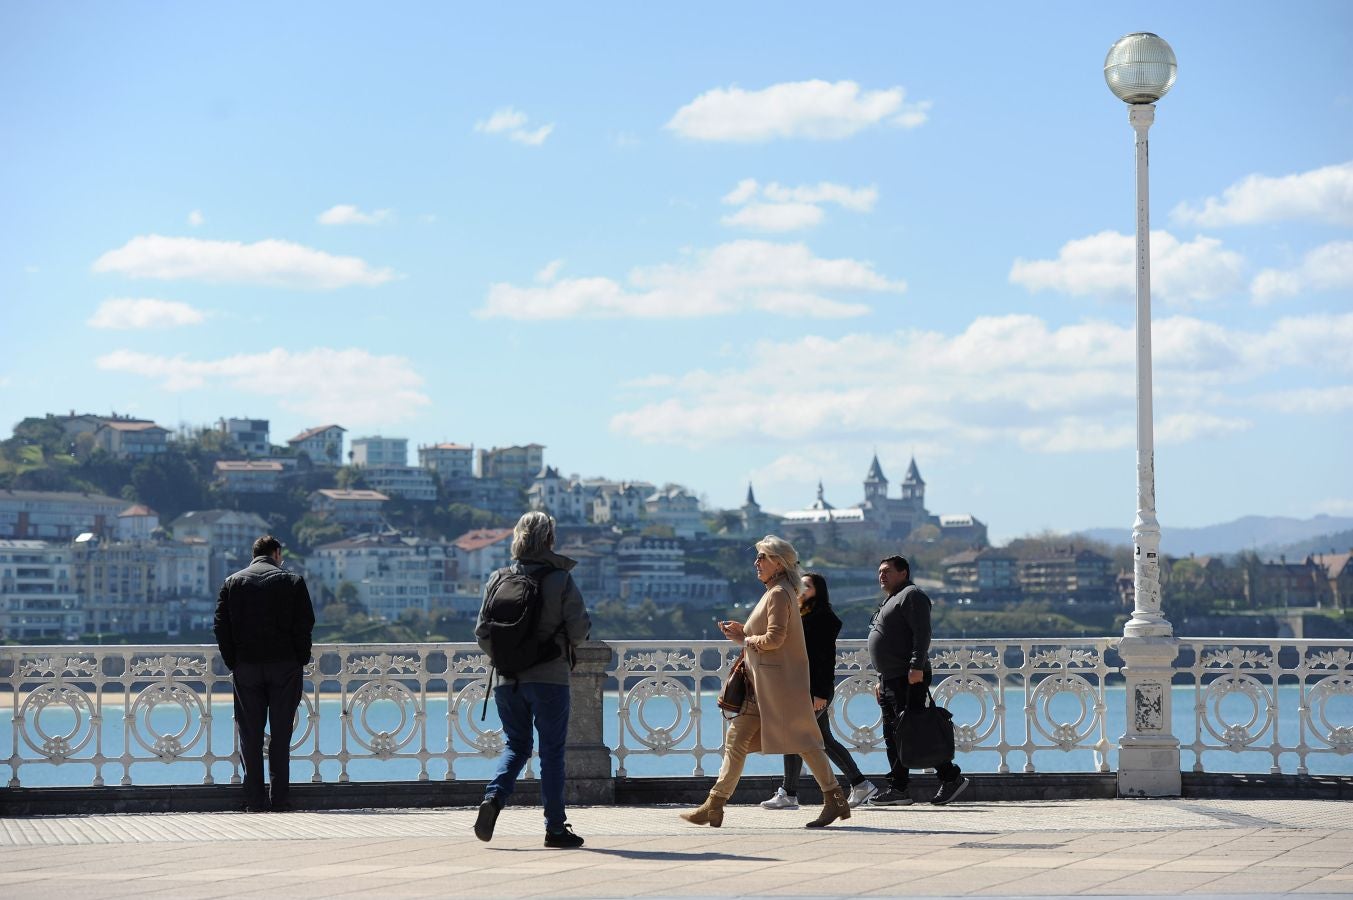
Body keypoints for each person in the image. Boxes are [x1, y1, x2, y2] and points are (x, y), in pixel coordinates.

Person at [682, 535, 851, 829]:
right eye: (757, 556)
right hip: (764, 686)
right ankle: (714, 804)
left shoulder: (778, 593)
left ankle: (834, 800)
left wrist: (743, 638)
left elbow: (775, 638)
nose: (756, 562)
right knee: (739, 742)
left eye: (762, 557)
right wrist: (744, 631)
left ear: (779, 562)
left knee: (805, 742)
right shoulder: (779, 591)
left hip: (775, 687)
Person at [473, 511, 591, 849]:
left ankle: (494, 797)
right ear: (550, 540)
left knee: (517, 745)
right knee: (551, 751)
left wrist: (511, 655)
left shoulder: (498, 578)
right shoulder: (559, 579)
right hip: (549, 678)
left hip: (506, 679)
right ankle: (555, 829)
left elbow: (482, 633)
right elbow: (580, 629)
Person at [760, 571, 879, 810]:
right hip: (799, 687)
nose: (800, 590)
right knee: (823, 739)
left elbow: (825, 659)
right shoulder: (800, 614)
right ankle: (861, 784)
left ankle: (789, 792)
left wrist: (821, 694)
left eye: (807, 586)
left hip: (813, 689)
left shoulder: (823, 618)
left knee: (792, 735)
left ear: (818, 591)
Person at [214, 534, 315, 813]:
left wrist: (233, 661)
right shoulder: (293, 582)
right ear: (277, 554)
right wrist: (300, 659)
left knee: (250, 734)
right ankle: (279, 798)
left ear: (253, 554)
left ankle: (255, 800)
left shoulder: (233, 583)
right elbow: (304, 624)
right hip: (284, 666)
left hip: (247, 667)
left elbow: (221, 626)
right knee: (281, 733)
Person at [867, 555, 969, 806]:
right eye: (880, 572)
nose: (882, 575)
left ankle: (949, 777)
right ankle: (899, 788)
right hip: (891, 677)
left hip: (907, 676)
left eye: (887, 571)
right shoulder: (891, 599)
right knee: (895, 733)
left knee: (916, 730)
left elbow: (922, 633)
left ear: (903, 572)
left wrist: (916, 667)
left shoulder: (912, 595)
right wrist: (882, 677)